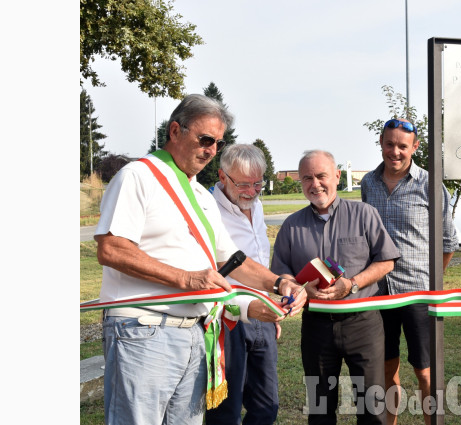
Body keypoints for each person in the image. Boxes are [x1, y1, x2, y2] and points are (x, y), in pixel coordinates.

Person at [94, 94, 306, 425]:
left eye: (218, 144)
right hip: (143, 330)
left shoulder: (199, 194)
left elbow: (233, 259)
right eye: (205, 139)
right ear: (175, 131)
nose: (211, 150)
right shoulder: (138, 176)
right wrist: (188, 279)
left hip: (193, 334)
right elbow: (111, 248)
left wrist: (281, 282)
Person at [271, 150, 400, 425]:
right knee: (319, 409)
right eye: (307, 178)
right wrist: (300, 288)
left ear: (338, 176)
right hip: (317, 327)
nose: (315, 184)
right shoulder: (291, 226)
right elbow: (280, 272)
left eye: (321, 176)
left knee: (372, 407)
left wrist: (352, 284)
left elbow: (387, 260)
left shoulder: (364, 214)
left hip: (363, 323)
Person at [361, 118, 459, 425]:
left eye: (402, 146)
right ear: (381, 143)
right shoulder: (368, 183)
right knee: (386, 372)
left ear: (414, 147)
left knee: (425, 372)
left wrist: (433, 284)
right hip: (379, 294)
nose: (395, 151)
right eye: (389, 144)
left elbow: (448, 241)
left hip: (418, 293)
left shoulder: (430, 185)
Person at [205, 144, 281, 425]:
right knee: (226, 412)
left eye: (258, 183)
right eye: (244, 184)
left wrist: (270, 311)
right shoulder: (207, 210)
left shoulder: (256, 205)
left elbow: (259, 258)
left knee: (266, 406)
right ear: (222, 176)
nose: (252, 191)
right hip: (228, 318)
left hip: (263, 315)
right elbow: (208, 275)